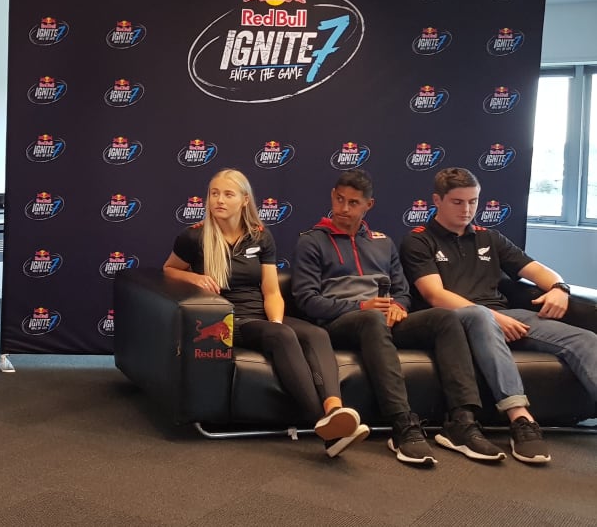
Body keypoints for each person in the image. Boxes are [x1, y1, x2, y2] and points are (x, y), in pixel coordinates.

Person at [292, 169, 504, 466]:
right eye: (339, 199)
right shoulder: (311, 241)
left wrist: (399, 307)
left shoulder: (383, 243)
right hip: (341, 323)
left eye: (353, 203)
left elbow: (402, 291)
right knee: (373, 320)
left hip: (384, 319)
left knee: (445, 318)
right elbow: (307, 301)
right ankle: (403, 423)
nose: (343, 208)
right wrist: (361, 307)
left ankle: (462, 421)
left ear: (369, 205)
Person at [164, 168, 370, 457]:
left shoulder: (260, 236)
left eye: (227, 194)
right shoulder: (193, 237)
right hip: (229, 321)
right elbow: (169, 270)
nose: (218, 200)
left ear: (244, 200)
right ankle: (323, 423)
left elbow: (272, 291)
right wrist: (193, 278)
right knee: (282, 335)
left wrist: (275, 322)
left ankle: (334, 409)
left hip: (261, 317)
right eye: (214, 193)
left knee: (316, 333)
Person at [400, 167, 597, 463]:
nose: (467, 209)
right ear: (437, 201)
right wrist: (490, 316)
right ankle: (520, 418)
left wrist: (560, 287)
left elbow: (538, 270)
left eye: (473, 201)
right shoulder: (419, 240)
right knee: (481, 316)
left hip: (507, 316)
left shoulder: (489, 237)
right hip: (456, 319)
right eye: (457, 202)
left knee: (585, 339)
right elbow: (434, 295)